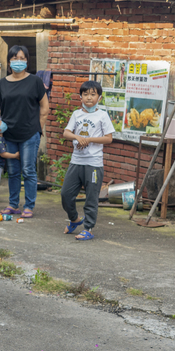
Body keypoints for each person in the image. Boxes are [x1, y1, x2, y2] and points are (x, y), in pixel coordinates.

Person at [0, 45, 50, 219]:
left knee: (28, 170)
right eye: (15, 58)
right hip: (8, 135)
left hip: (29, 134)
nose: (18, 61)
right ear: (9, 62)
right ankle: (13, 205)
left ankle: (29, 206)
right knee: (13, 171)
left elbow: (44, 107)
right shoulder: (3, 83)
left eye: (22, 58)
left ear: (27, 61)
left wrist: (38, 129)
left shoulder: (35, 82)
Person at [60, 81, 114, 241]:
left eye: (93, 94)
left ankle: (88, 228)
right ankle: (75, 219)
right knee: (65, 194)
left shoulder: (102, 115)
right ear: (80, 97)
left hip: (93, 164)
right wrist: (78, 137)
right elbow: (66, 133)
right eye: (85, 94)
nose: (89, 98)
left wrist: (89, 139)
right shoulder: (76, 114)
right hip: (76, 162)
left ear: (99, 97)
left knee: (91, 197)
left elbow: (109, 138)